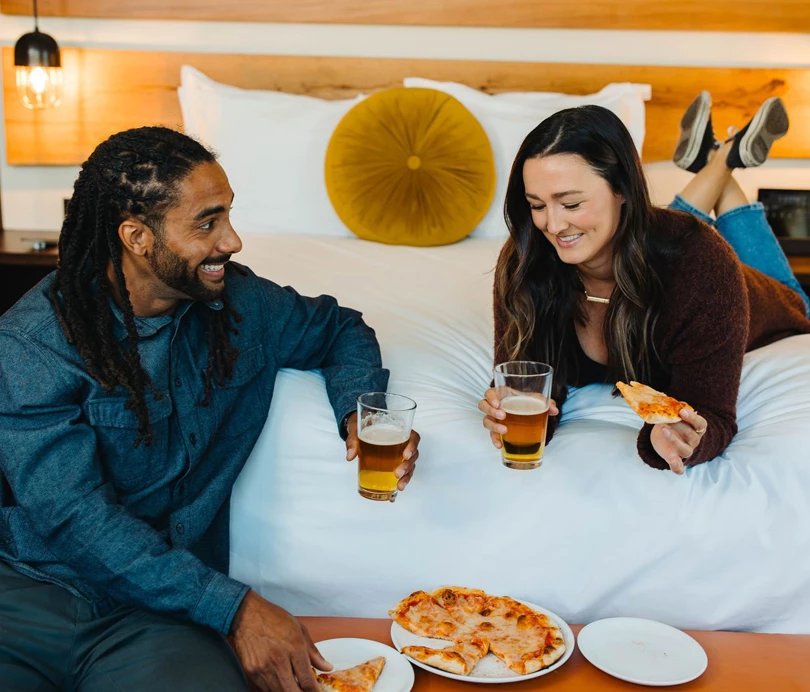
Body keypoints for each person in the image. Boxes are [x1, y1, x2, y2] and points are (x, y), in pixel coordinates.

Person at [0, 127, 420, 691]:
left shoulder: (245, 305)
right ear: (137, 237)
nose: (233, 240)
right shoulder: (30, 344)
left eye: (229, 215)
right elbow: (75, 518)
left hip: (155, 615)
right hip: (27, 598)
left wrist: (361, 416)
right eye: (207, 223)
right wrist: (236, 608)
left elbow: (340, 328)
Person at [479, 97, 810, 475]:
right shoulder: (525, 259)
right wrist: (509, 408)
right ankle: (720, 160)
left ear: (622, 189)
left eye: (570, 204)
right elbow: (522, 381)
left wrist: (682, 437)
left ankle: (724, 158)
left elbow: (712, 414)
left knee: (780, 289)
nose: (552, 225)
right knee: (662, 236)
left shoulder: (702, 267)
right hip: (654, 248)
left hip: (774, 299)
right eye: (537, 205)